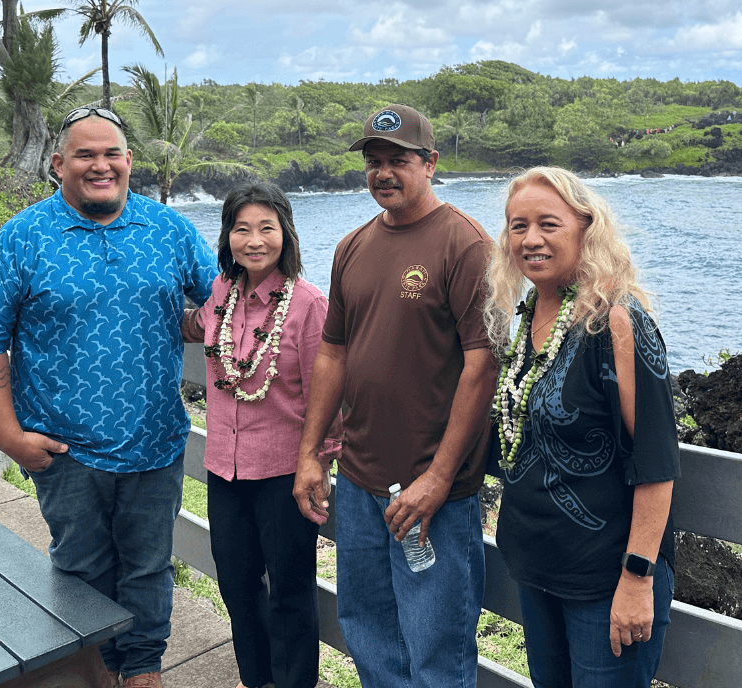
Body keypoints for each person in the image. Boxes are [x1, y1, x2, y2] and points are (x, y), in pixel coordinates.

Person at [0, 106, 216, 688]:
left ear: (128, 161)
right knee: (81, 569)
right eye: (86, 154)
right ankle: (93, 669)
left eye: (112, 153)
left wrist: (214, 321)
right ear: (58, 164)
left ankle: (142, 667)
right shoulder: (21, 238)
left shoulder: (168, 230)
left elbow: (226, 299)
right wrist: (7, 436)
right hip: (64, 449)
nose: (101, 165)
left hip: (155, 441)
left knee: (148, 568)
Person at [292, 103, 498, 688]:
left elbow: (481, 368)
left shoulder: (465, 246)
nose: (384, 173)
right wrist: (311, 453)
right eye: (374, 162)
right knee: (368, 631)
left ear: (430, 164)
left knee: (436, 646)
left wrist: (437, 479)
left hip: (434, 493)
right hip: (359, 482)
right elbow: (332, 353)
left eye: (398, 161)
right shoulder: (353, 246)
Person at [483, 166, 680, 688]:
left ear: (585, 228)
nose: (531, 239)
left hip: (606, 578)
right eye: (517, 225)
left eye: (548, 223)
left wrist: (637, 578)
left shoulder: (616, 321)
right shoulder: (526, 317)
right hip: (536, 568)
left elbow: (657, 461)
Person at [181, 183, 340, 688]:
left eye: (266, 228)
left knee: (290, 592)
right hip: (224, 467)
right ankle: (257, 680)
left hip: (284, 472)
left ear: (285, 234)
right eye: (241, 228)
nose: (254, 240)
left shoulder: (310, 303)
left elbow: (329, 391)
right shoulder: (222, 295)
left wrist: (320, 461)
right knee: (236, 585)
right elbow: (196, 327)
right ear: (227, 236)